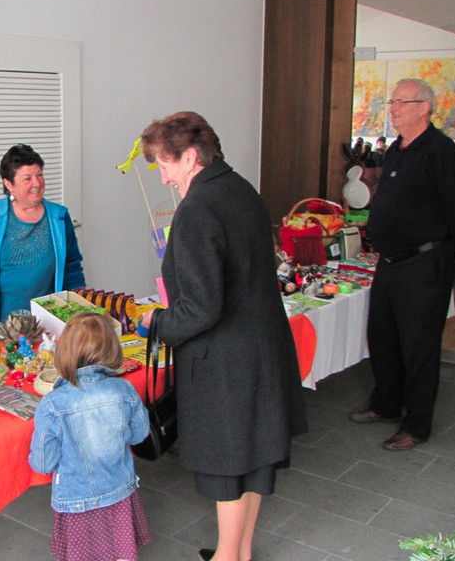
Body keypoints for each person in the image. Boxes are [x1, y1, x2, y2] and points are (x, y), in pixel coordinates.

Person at [137, 111, 307, 561]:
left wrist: (157, 323)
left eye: (165, 164)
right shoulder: (241, 189)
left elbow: (201, 308)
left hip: (225, 360)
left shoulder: (198, 207)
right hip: (260, 346)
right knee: (254, 460)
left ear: (191, 157)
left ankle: (228, 557)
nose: (163, 177)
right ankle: (239, 551)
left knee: (228, 467)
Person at [350, 79, 455, 451]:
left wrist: (449, 255)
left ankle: (417, 425)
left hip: (423, 263)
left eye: (400, 102)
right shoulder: (396, 149)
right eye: (391, 102)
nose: (392, 108)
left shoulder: (441, 151)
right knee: (383, 337)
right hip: (390, 262)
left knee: (419, 347)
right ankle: (386, 404)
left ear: (424, 108)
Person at [29, 312, 151, 561]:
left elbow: (43, 463)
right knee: (121, 551)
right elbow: (140, 434)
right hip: (120, 491)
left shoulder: (53, 403)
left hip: (76, 500)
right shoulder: (125, 389)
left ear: (65, 352)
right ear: (112, 349)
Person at [0, 144, 85, 342]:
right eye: (27, 178)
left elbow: (72, 267)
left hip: (45, 329)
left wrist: (78, 309)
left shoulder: (59, 217)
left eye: (39, 175)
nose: (37, 183)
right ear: (9, 183)